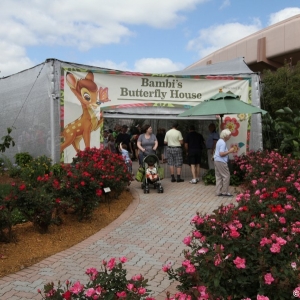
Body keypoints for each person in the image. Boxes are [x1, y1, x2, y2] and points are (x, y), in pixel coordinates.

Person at [214, 129, 235, 197]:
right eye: (229, 135)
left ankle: (218, 192)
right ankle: (225, 192)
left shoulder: (219, 141)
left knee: (219, 176)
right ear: (225, 136)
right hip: (221, 161)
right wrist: (230, 151)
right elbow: (221, 154)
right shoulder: (223, 143)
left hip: (217, 160)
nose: (230, 136)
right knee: (226, 175)